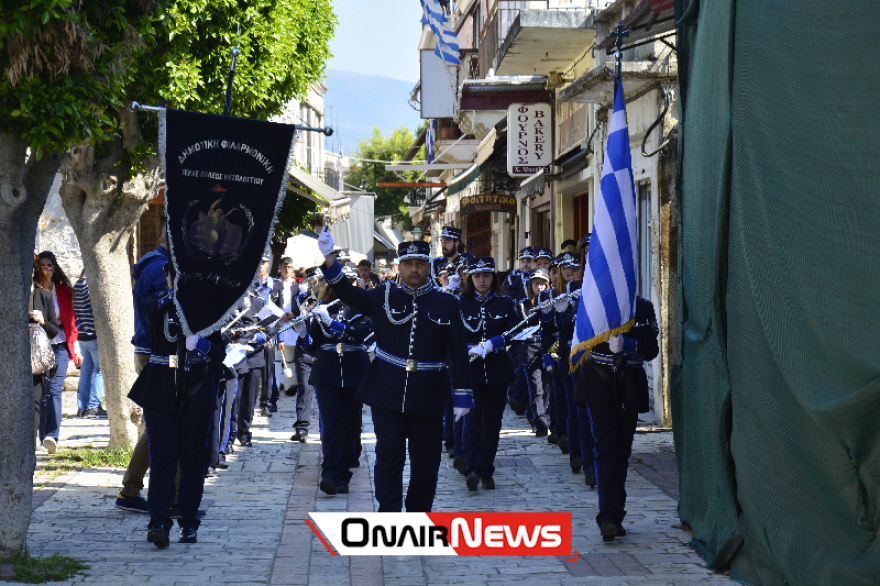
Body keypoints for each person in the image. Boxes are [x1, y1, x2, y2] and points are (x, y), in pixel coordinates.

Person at [318, 231, 474, 512]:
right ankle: (388, 512)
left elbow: (459, 353)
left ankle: (418, 514)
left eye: (420, 263)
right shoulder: (384, 295)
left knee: (426, 461)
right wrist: (330, 259)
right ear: (400, 266)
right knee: (388, 457)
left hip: (428, 394)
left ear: (429, 265)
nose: (414, 269)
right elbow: (348, 292)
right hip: (387, 391)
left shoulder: (447, 303)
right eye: (408, 263)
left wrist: (462, 395)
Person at [128, 262, 227, 547]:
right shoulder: (160, 302)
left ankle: (189, 520)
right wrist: (175, 295)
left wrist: (205, 346)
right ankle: (158, 520)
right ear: (168, 278)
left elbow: (219, 352)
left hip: (197, 385)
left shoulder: (208, 308)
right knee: (163, 456)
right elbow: (150, 312)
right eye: (175, 276)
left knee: (193, 459)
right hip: (162, 385)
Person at [300, 265, 372, 495]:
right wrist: (305, 332)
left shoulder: (364, 307)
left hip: (354, 371)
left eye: (349, 281)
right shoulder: (322, 308)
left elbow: (362, 334)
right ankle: (329, 472)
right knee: (331, 424)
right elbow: (313, 346)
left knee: (350, 425)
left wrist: (333, 324)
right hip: (327, 372)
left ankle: (343, 474)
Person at [115, 226, 169, 513]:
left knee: (160, 425)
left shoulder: (154, 264)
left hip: (151, 352)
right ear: (163, 239)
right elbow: (165, 316)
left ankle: (138, 490)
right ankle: (132, 490)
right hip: (154, 355)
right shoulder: (160, 268)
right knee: (161, 427)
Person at [459, 257, 519, 491]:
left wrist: (498, 342)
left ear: (493, 277)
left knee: (492, 423)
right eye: (476, 276)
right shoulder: (460, 303)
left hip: (497, 371)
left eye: (486, 276)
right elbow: (450, 337)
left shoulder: (504, 303)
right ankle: (471, 468)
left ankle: (486, 469)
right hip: (470, 371)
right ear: (469, 278)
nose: (481, 280)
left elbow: (517, 331)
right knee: (472, 421)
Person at [37, 252, 80, 454]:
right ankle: (42, 435)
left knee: (54, 390)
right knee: (43, 394)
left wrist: (76, 348)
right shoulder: (32, 290)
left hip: (61, 344)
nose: (47, 269)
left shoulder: (64, 291)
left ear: (55, 267)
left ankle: (51, 436)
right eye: (43, 266)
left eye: (50, 265)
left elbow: (71, 321)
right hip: (38, 347)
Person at [515, 269, 552, 437]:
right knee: (536, 386)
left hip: (549, 347)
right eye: (536, 284)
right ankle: (540, 420)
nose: (540, 287)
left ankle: (538, 414)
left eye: (543, 283)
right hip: (531, 346)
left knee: (546, 386)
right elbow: (529, 320)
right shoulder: (524, 303)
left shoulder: (554, 300)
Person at [30, 255, 59, 451]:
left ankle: (31, 444)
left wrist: (41, 320)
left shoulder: (44, 294)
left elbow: (54, 330)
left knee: (35, 401)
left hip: (35, 358)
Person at [73, 269, 105, 418]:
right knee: (99, 370)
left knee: (86, 371)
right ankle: (93, 407)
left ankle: (82, 408)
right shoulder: (91, 286)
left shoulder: (76, 285)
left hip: (81, 334)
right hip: (93, 334)